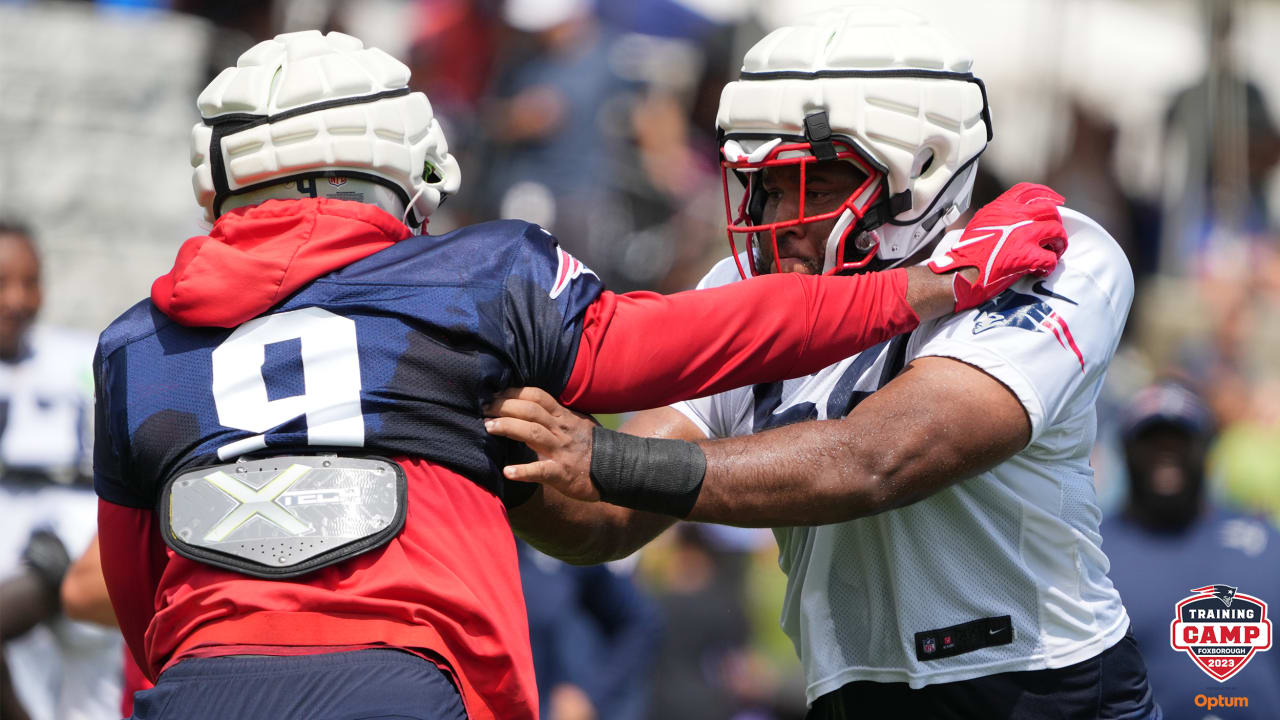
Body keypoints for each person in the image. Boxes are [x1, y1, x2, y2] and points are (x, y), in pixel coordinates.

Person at [92, 30, 1064, 720]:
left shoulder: (135, 345)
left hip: (200, 686)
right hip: (413, 680)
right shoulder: (479, 274)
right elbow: (685, 341)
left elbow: (139, 607)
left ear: (214, 176)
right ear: (407, 170)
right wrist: (924, 289)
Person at [487, 6, 1158, 718]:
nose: (775, 216)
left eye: (812, 182)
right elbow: (604, 521)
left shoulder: (1057, 257)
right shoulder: (746, 288)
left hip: (1043, 687)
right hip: (851, 694)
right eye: (765, 185)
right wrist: (503, 451)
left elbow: (879, 459)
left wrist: (604, 458)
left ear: (920, 169)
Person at [0, 222, 123, 720]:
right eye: (3, 283)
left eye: (31, 282)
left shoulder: (79, 353)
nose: (19, 300)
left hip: (79, 536)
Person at [1102, 381, 1280, 719]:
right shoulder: (1094, 553)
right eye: (1152, 441)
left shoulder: (1266, 544)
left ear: (1207, 450)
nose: (1167, 452)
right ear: (1126, 451)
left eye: (1181, 440)